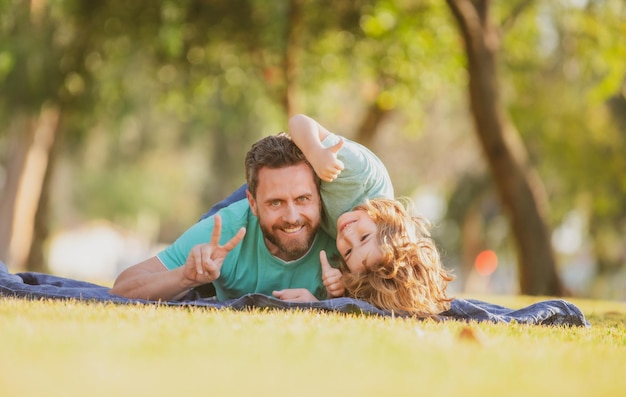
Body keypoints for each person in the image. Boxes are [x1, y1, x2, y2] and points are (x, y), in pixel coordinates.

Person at [110, 134, 342, 302]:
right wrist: (185, 277)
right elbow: (123, 288)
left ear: (319, 197)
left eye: (302, 199)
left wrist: (322, 306)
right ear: (252, 203)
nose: (292, 217)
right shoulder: (223, 231)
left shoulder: (345, 233)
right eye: (275, 202)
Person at [284, 114, 455, 317]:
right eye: (364, 238)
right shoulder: (359, 174)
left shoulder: (352, 235)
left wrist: (335, 291)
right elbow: (299, 122)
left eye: (347, 252)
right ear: (387, 224)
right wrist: (316, 153)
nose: (347, 236)